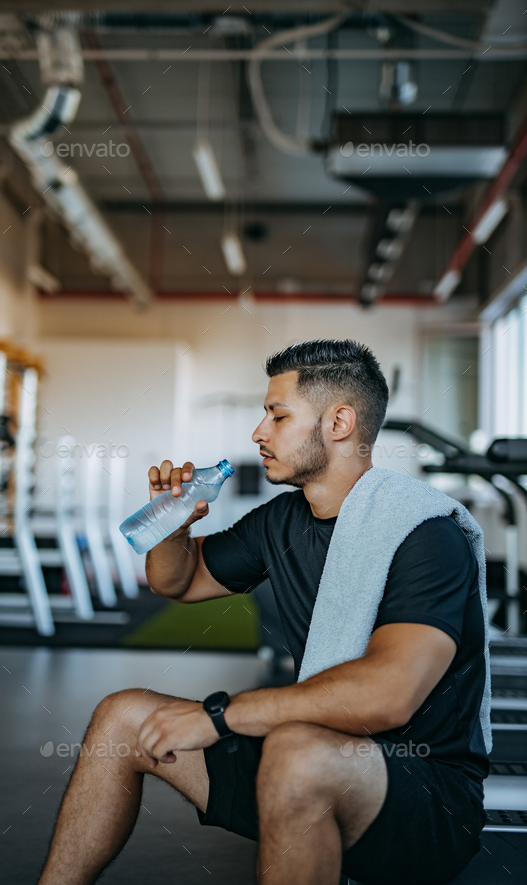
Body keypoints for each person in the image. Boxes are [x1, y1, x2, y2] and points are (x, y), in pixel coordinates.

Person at [38, 339, 488, 885]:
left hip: (425, 791)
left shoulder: (424, 534)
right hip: (306, 752)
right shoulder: (282, 520)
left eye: (277, 415)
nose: (258, 432)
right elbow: (177, 580)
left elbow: (388, 696)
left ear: (339, 422)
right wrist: (172, 524)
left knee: (299, 751)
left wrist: (218, 716)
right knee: (123, 716)